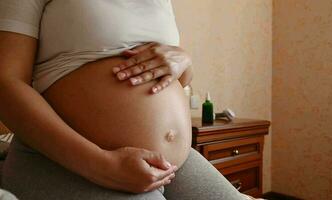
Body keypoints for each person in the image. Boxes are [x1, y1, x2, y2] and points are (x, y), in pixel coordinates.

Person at [0, 0, 256, 199]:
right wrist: (102, 165)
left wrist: (183, 59)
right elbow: (6, 82)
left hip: (173, 163)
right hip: (71, 160)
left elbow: (177, 76)